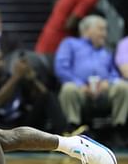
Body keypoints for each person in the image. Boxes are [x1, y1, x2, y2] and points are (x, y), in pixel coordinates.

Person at [55, 15, 128, 144]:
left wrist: (108, 82)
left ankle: (119, 129)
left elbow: (114, 74)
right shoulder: (70, 44)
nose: (105, 34)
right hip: (80, 92)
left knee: (122, 86)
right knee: (68, 88)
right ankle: (74, 129)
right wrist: (80, 85)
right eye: (101, 29)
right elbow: (61, 68)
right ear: (88, 30)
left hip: (104, 93)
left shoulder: (106, 51)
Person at [0, 49, 66, 133]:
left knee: (48, 96)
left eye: (1, 59)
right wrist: (16, 77)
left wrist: (32, 79)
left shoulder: (11, 78)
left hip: (23, 123)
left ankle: (66, 133)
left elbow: (44, 95)